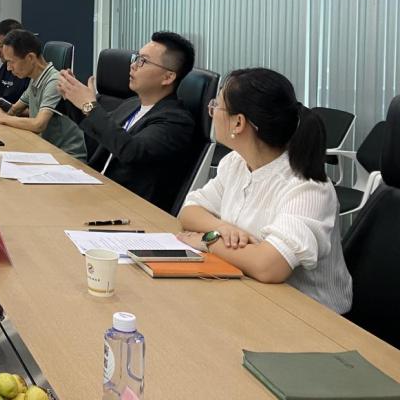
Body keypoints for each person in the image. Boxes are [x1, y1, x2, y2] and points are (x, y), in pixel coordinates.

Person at [178, 68, 352, 314]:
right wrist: (222, 229)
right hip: (248, 294)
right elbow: (189, 211)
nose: (212, 111)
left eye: (216, 106)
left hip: (308, 315)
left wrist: (208, 241)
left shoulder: (307, 187)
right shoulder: (236, 162)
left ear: (238, 123)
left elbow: (269, 266)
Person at [57, 31, 197, 212]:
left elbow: (131, 150)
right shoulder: (132, 104)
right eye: (136, 58)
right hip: (98, 193)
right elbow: (100, 135)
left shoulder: (176, 121)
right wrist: (71, 95)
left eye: (143, 61)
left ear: (168, 77)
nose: (133, 65)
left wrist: (89, 106)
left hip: (130, 210)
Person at [0, 29, 86, 161]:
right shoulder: (35, 79)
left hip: (67, 157)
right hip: (44, 150)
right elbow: (14, 110)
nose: (8, 68)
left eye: (11, 62)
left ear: (30, 58)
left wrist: (3, 118)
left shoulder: (55, 81)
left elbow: (38, 124)